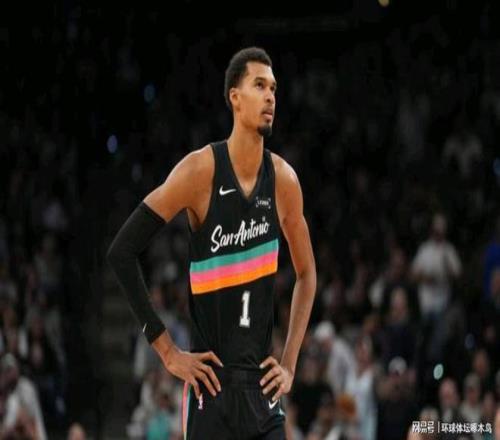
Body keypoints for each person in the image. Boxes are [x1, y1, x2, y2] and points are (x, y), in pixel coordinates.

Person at [107, 47, 317, 439]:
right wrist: (167, 352)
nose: (271, 96)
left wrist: (289, 363)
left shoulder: (284, 181)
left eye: (274, 88)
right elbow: (122, 251)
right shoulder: (200, 171)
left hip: (263, 391)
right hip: (210, 389)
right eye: (259, 86)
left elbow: (307, 275)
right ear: (235, 97)